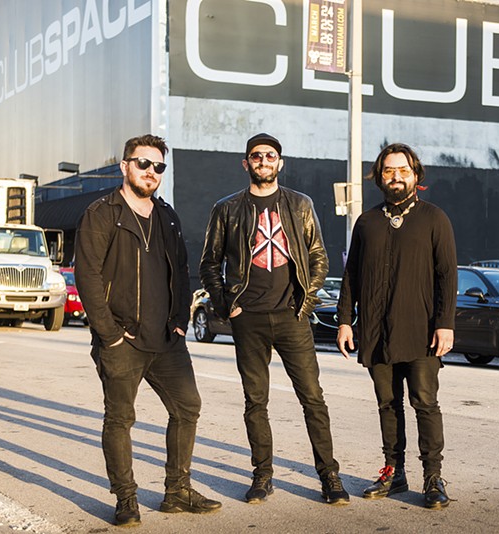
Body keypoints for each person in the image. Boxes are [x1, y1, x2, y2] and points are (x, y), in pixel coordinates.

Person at [75, 134, 221, 527]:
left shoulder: (167, 216)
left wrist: (180, 321)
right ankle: (126, 499)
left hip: (167, 340)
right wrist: (109, 335)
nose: (151, 172)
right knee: (120, 419)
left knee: (187, 406)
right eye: (143, 164)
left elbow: (182, 270)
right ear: (125, 166)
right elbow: (86, 276)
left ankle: (177, 491)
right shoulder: (102, 213)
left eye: (159, 167)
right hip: (122, 339)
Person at [199, 133, 349, 506]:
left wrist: (307, 301)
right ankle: (262, 475)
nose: (263, 160)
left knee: (312, 399)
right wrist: (225, 305)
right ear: (245, 163)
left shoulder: (300, 204)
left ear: (280, 163)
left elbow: (318, 256)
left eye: (270, 155)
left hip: (291, 316)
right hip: (247, 317)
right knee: (255, 402)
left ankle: (329, 476)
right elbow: (209, 263)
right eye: (256, 155)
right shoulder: (227, 208)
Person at [336, 142, 457, 510]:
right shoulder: (367, 222)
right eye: (389, 171)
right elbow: (351, 275)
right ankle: (394, 471)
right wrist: (344, 321)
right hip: (376, 331)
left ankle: (433, 478)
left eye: (403, 170)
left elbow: (447, 276)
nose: (396, 177)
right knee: (388, 404)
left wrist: (445, 325)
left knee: (424, 403)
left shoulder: (434, 218)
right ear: (379, 177)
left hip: (421, 332)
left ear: (415, 175)